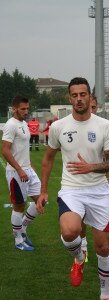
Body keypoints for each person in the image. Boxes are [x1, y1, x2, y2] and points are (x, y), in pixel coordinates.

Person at [37, 77, 109, 300]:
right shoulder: (59, 127)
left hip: (99, 191)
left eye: (83, 94)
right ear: (69, 98)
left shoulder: (104, 126)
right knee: (70, 231)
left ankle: (105, 294)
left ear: (90, 97)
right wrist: (43, 191)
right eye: (75, 95)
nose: (79, 99)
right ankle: (79, 258)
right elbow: (48, 159)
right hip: (71, 190)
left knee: (102, 248)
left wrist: (91, 166)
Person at [2, 96, 41, 251]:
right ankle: (18, 239)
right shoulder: (11, 125)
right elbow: (5, 150)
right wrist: (19, 169)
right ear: (14, 109)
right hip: (16, 173)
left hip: (28, 170)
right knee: (19, 206)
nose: (26, 111)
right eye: (23, 108)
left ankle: (23, 229)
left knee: (40, 201)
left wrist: (29, 166)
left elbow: (23, 148)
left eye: (27, 108)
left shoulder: (24, 123)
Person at [80, 93, 98, 261]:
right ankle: (83, 247)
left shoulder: (105, 127)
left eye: (94, 107)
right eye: (89, 107)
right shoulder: (76, 126)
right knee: (80, 219)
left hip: (99, 184)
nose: (91, 110)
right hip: (78, 184)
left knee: (100, 225)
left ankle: (102, 250)